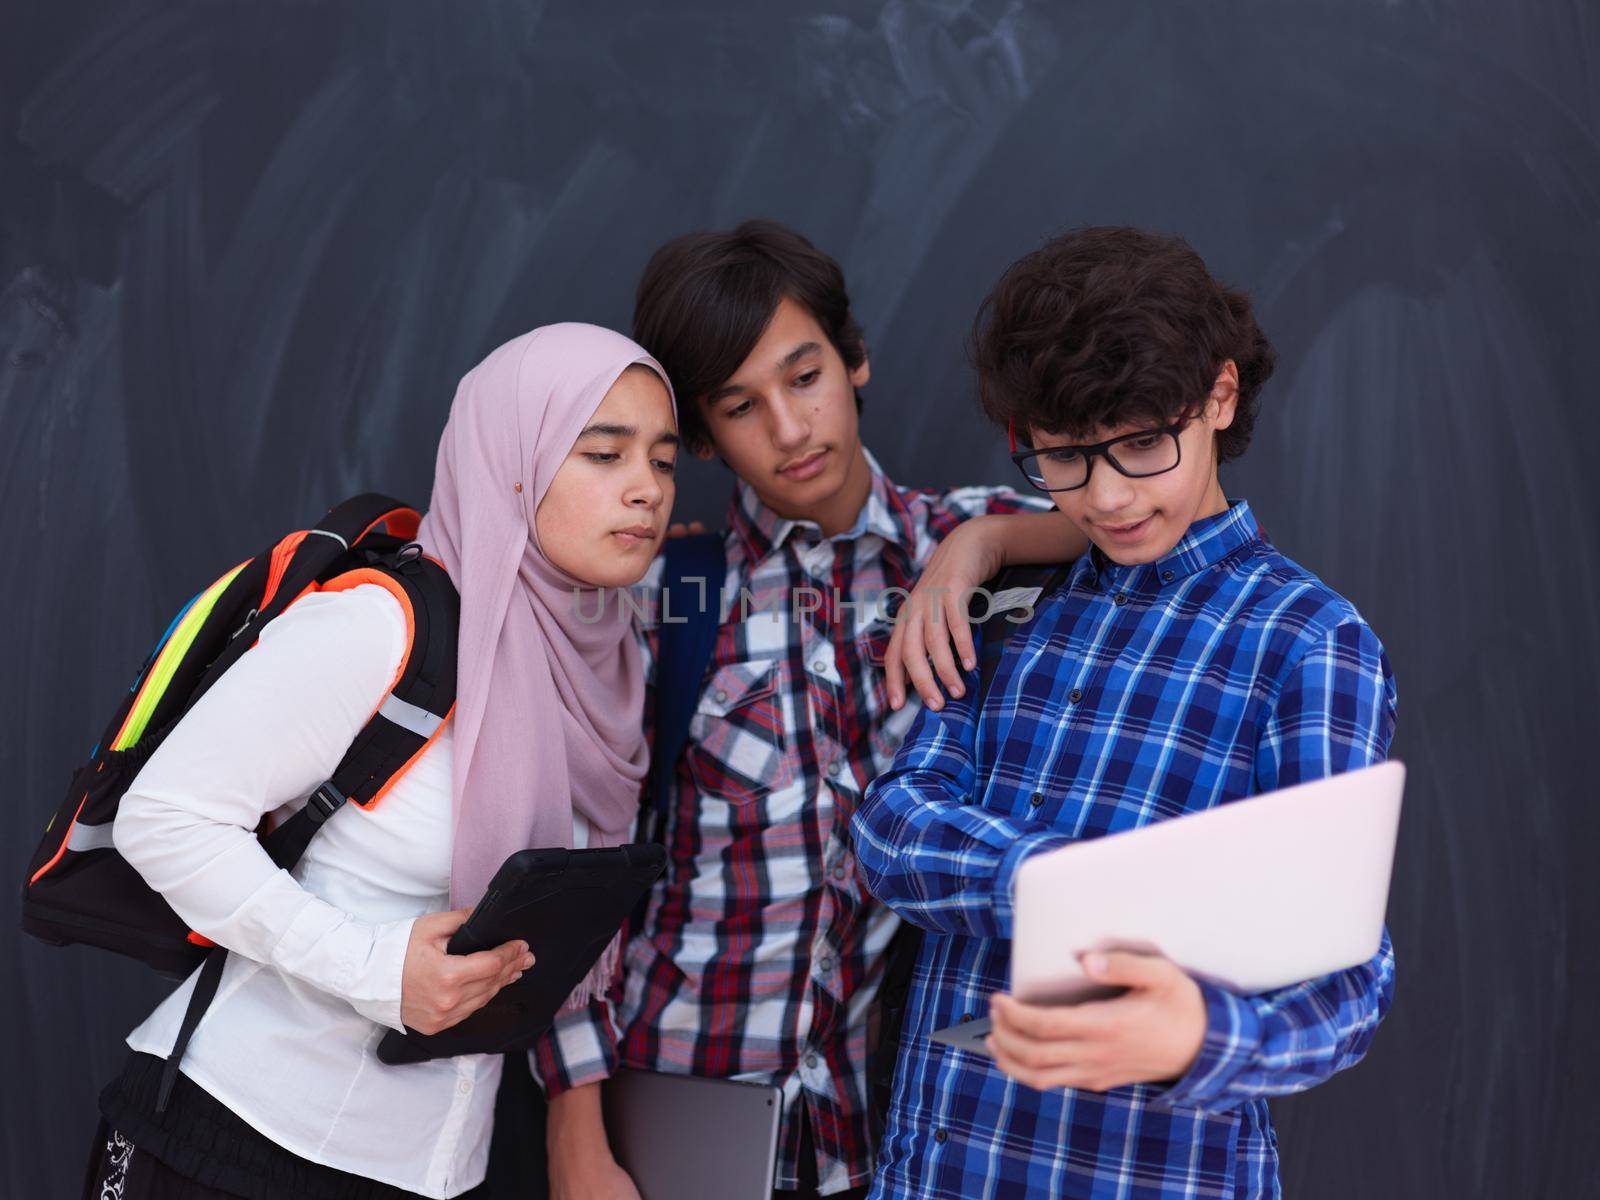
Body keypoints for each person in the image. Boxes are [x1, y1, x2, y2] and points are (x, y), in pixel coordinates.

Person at [534, 220, 1088, 1200]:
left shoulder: (956, 543)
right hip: (677, 1101)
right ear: (701, 435)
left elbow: (1128, 526)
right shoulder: (667, 600)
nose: (790, 430)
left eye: (804, 377)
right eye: (742, 406)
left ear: (854, 359)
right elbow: (577, 875)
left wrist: (979, 548)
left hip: (880, 1122)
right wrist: (576, 1138)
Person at [851, 226, 1399, 1199]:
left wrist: (1198, 1030)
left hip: (1151, 1173)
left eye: (1143, 444)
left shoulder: (1306, 642)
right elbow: (893, 828)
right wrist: (1072, 889)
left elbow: (1347, 982)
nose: (1105, 497)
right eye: (1062, 458)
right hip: (940, 1164)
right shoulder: (1017, 596)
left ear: (1219, 396)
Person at [85, 325, 680, 1200]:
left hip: (433, 1171)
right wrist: (374, 968)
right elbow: (164, 815)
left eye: (665, 462)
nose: (645, 490)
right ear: (510, 462)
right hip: (233, 1140)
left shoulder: (609, 663)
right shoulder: (388, 624)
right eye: (601, 453)